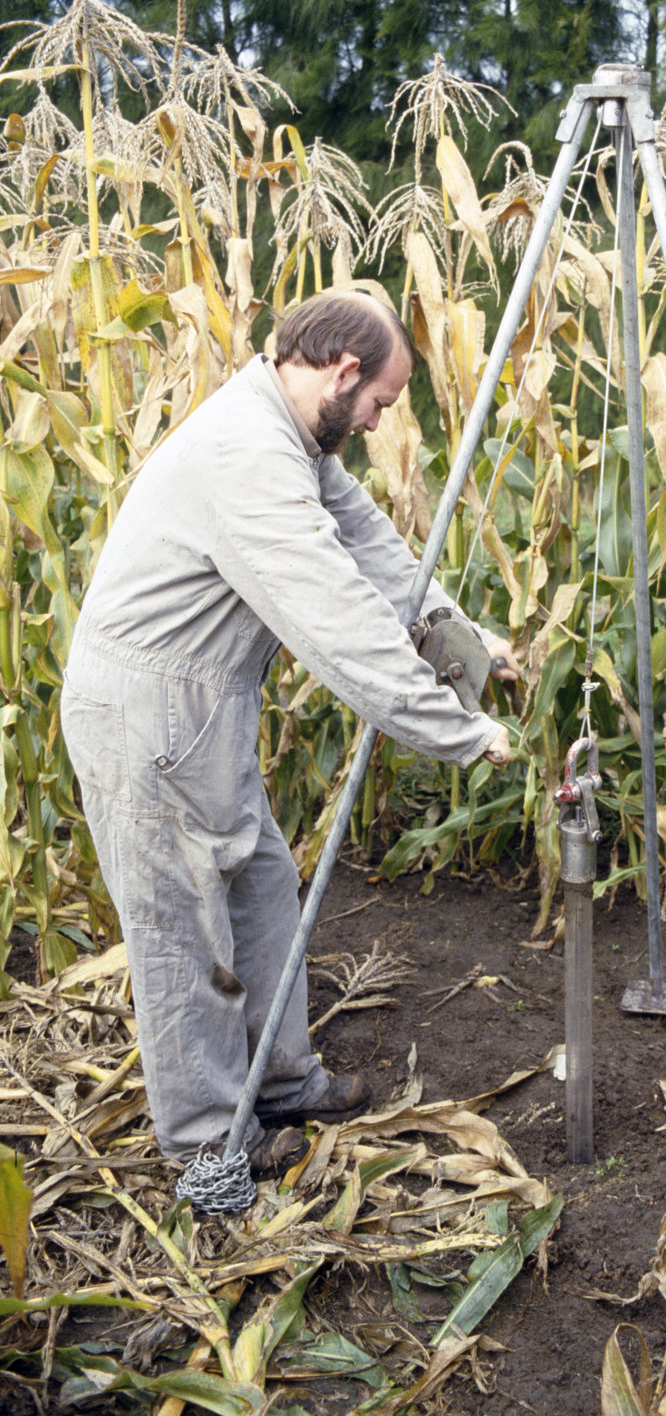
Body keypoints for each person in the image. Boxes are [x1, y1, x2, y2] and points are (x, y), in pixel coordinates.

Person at [61, 290, 518, 1177]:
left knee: (263, 885)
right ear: (344, 373)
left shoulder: (291, 434)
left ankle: (280, 1078)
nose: (381, 422)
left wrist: (466, 643)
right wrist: (456, 730)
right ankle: (207, 1142)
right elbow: (333, 615)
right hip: (142, 713)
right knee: (184, 930)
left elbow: (375, 553)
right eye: (382, 402)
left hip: (198, 706)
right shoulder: (249, 455)